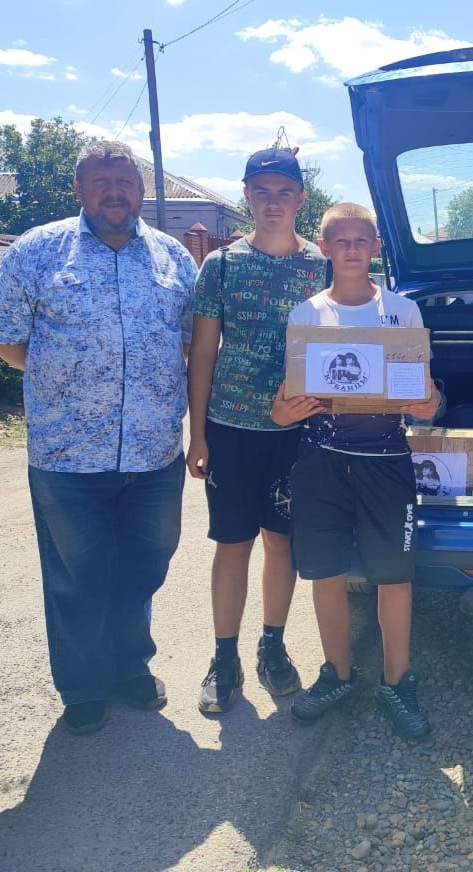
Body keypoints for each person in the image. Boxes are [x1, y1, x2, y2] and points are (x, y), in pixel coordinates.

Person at [0, 139, 198, 735]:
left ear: (141, 191)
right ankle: (83, 687)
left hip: (153, 451)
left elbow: (191, 342)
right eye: (101, 183)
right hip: (66, 454)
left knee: (145, 564)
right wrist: (53, 373)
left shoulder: (174, 258)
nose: (114, 193)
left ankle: (131, 665)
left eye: (124, 183)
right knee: (77, 574)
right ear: (79, 189)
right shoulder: (39, 250)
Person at [274, 203, 442, 740]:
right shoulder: (305, 316)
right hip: (320, 462)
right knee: (325, 573)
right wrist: (285, 411)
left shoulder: (403, 312)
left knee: (394, 575)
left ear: (375, 248)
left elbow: (426, 397)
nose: (351, 249)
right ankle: (337, 674)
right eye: (340, 241)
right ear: (324, 248)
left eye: (361, 241)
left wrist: (428, 403)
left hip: (386, 461)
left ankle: (398, 682)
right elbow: (282, 407)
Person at [186, 147, 327, 715]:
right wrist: (198, 434)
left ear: (300, 199)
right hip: (231, 428)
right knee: (232, 543)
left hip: (297, 432)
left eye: (284, 192)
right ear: (246, 196)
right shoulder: (221, 266)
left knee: (282, 542)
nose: (273, 203)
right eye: (262, 192)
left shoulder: (320, 267)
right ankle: (224, 658)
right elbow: (202, 353)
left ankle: (273, 645)